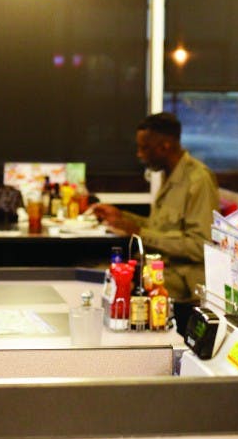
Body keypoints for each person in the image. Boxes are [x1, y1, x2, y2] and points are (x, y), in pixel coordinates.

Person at [90, 112, 219, 302]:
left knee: (105, 283)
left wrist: (139, 232)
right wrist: (122, 217)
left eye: (144, 148)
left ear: (164, 147)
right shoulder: (169, 175)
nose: (139, 155)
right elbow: (160, 227)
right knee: (92, 272)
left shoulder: (197, 181)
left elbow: (200, 246)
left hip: (180, 276)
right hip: (156, 266)